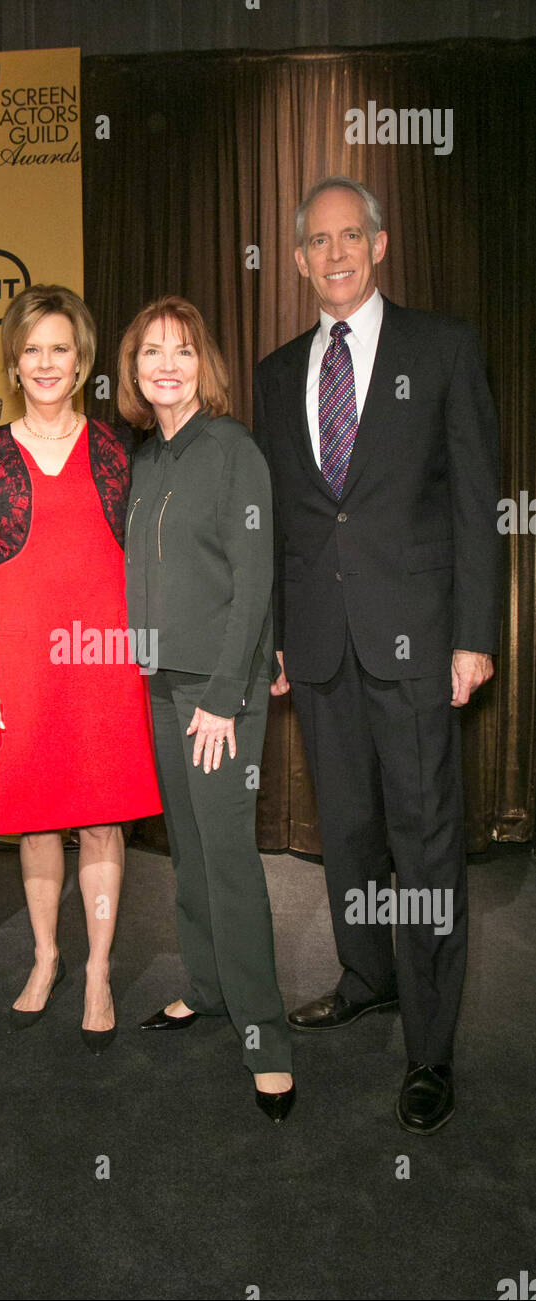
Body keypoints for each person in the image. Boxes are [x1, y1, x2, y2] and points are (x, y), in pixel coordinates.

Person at [252, 176, 502, 1134]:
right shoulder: (279, 375)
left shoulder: (441, 347)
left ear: (381, 243)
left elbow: (477, 502)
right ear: (302, 258)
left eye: (350, 235)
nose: (335, 253)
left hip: (417, 644)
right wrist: (276, 632)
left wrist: (475, 635)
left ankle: (430, 1047)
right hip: (319, 646)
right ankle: (366, 975)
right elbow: (278, 520)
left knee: (426, 841)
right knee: (348, 832)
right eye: (317, 241)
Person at [0, 284, 162, 1054]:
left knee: (103, 820)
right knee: (37, 825)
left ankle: (99, 970)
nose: (46, 363)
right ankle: (45, 958)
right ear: (14, 361)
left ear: (81, 363)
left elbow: (152, 561)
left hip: (103, 665)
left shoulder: (117, 450)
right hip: (21, 668)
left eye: (60, 350)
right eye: (32, 349)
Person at [118, 295, 295, 1124]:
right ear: (133, 370)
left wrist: (226, 696)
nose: (165, 364)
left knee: (227, 858)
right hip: (159, 683)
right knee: (187, 851)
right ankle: (206, 989)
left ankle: (266, 1039)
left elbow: (253, 579)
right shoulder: (147, 457)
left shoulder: (231, 450)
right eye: (151, 351)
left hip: (215, 693)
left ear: (204, 367)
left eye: (181, 351)